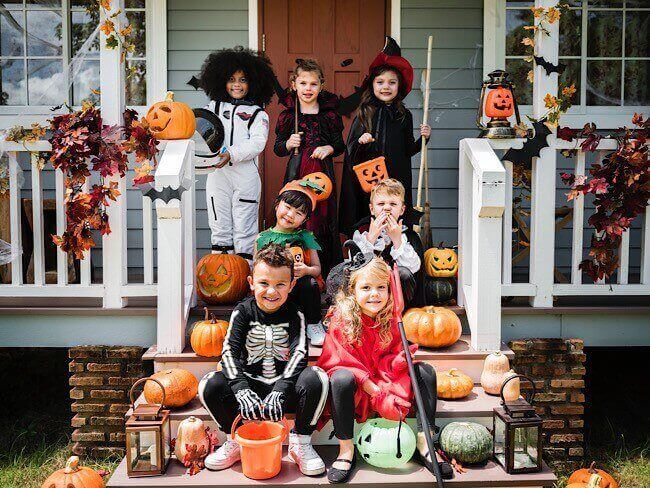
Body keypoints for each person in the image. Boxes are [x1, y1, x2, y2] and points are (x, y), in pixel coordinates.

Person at [316, 256, 452, 483]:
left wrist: (396, 363)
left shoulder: (392, 319)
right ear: (353, 290)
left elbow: (396, 353)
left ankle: (425, 442)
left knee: (425, 371)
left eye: (381, 287)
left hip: (388, 380)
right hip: (359, 388)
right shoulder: (342, 319)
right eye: (366, 288)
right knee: (340, 379)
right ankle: (346, 449)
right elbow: (336, 361)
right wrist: (373, 389)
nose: (374, 294)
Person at [198, 244, 329, 476]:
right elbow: (229, 353)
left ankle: (301, 442)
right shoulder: (242, 311)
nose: (271, 292)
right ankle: (235, 439)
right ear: (251, 283)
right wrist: (240, 389)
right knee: (210, 383)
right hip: (250, 389)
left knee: (317, 377)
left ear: (291, 285)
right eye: (264, 283)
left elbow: (299, 355)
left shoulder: (295, 312)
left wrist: (280, 390)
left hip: (283, 393)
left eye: (280, 284)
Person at [338, 37, 431, 236]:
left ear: (399, 86)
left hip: (396, 176)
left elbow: (408, 150)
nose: (385, 87)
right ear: (372, 85)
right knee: (370, 214)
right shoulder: (365, 112)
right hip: (370, 179)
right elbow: (351, 149)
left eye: (392, 82)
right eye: (380, 82)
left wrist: (424, 139)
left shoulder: (404, 115)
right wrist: (362, 142)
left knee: (393, 215)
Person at [197, 46, 277, 260]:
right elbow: (198, 130)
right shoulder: (212, 108)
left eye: (242, 80)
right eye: (232, 79)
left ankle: (244, 277)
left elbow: (258, 143)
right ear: (222, 81)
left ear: (252, 83)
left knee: (245, 229)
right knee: (219, 226)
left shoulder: (257, 114)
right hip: (217, 175)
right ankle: (222, 279)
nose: (237, 85)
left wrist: (231, 154)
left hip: (245, 176)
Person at [274, 59, 345, 275]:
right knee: (297, 214)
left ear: (321, 86)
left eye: (313, 84)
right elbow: (278, 148)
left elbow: (340, 144)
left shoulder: (329, 115)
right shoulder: (288, 115)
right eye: (303, 83)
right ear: (293, 84)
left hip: (321, 174)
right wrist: (288, 143)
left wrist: (329, 149)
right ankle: (293, 269)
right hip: (298, 173)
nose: (308, 89)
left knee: (320, 218)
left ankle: (323, 271)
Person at [327, 178, 421, 307]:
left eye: (393, 204)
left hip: (395, 294)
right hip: (368, 289)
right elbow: (354, 265)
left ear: (402, 210)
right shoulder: (362, 232)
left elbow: (413, 268)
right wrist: (371, 238)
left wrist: (397, 240)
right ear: (372, 209)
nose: (387, 208)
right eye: (381, 204)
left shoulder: (407, 235)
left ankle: (397, 314)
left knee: (404, 273)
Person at [256, 182, 326, 346]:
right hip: (277, 288)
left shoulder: (306, 237)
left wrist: (306, 270)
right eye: (287, 207)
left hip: (298, 288)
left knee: (310, 284)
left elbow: (317, 269)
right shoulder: (262, 238)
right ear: (277, 205)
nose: (290, 214)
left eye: (299, 213)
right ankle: (274, 325)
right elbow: (257, 270)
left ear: (305, 219)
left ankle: (314, 324)